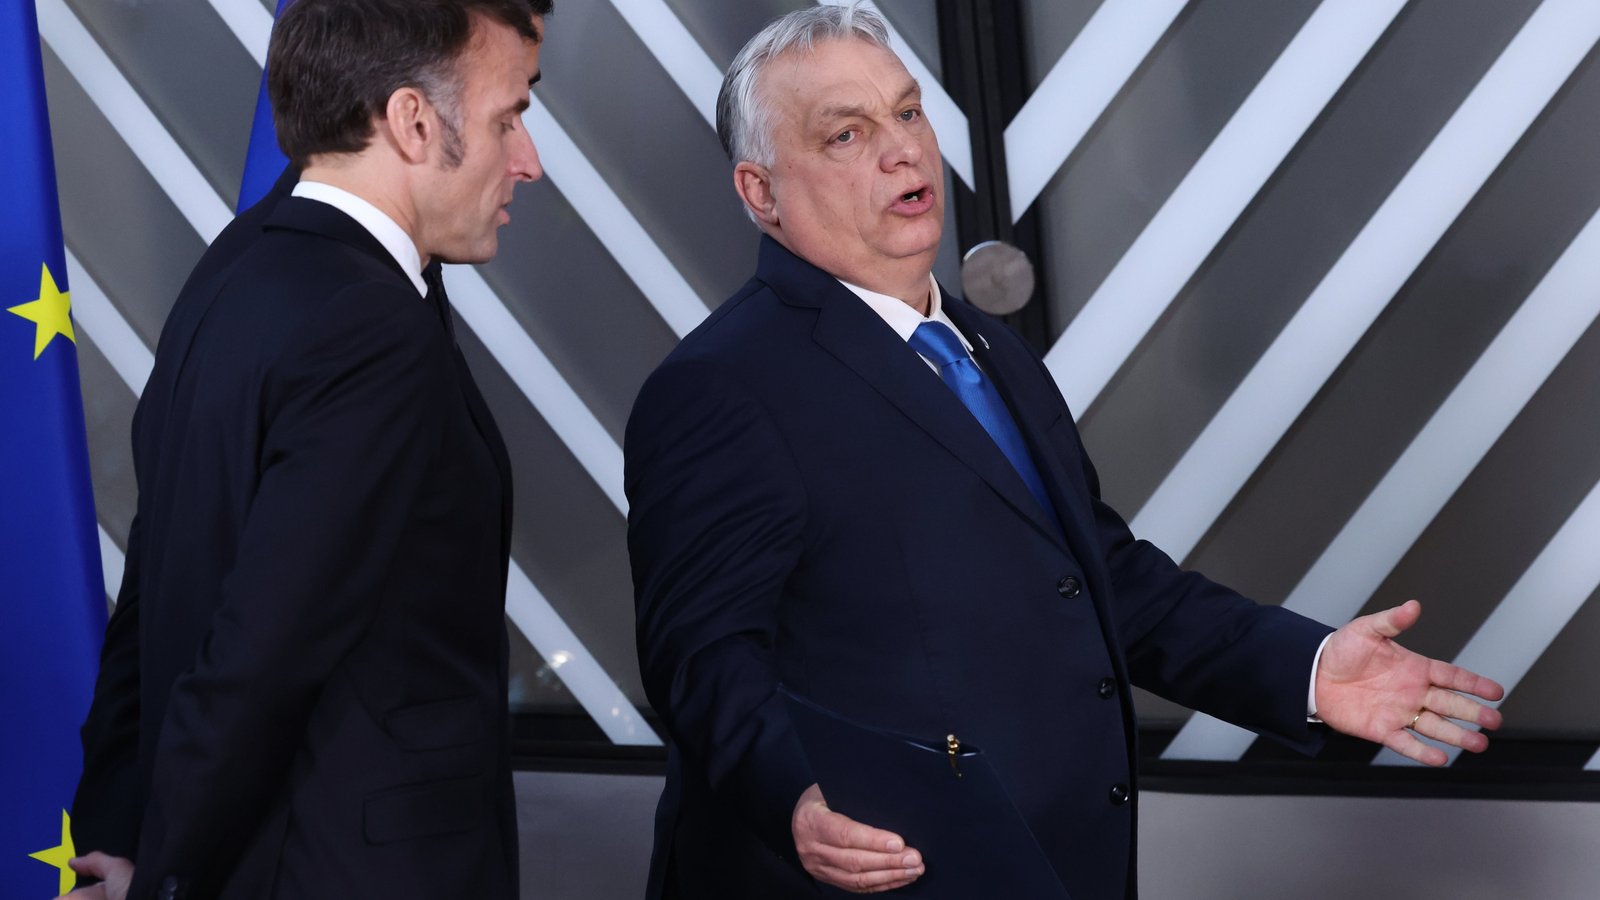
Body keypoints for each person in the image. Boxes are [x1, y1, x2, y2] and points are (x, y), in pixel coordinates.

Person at [624, 7, 1504, 898]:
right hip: (882, 874)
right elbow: (701, 655)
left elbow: (1100, 580)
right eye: (846, 134)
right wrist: (793, 800)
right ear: (760, 193)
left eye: (907, 111)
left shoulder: (993, 351)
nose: (901, 150)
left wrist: (1306, 671)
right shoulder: (722, 384)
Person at [64, 1, 549, 897]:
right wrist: (163, 880)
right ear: (412, 121)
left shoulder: (234, 268)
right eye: (509, 117)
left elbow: (159, 589)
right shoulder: (372, 326)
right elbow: (263, 652)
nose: (529, 160)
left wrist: (124, 836)